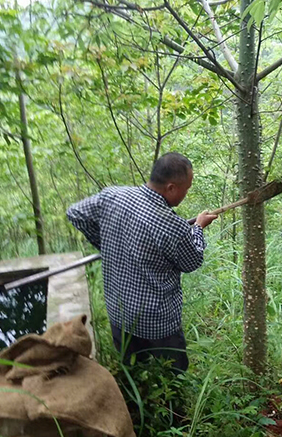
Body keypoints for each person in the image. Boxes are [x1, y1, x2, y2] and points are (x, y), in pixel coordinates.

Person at [66, 152, 218, 372]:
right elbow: (192, 260)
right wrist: (198, 228)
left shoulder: (112, 195)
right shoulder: (173, 226)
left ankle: (136, 401)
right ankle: (174, 405)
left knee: (132, 371)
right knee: (173, 375)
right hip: (159, 324)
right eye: (187, 188)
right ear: (171, 188)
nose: (187, 193)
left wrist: (108, 244)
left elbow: (75, 213)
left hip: (120, 313)